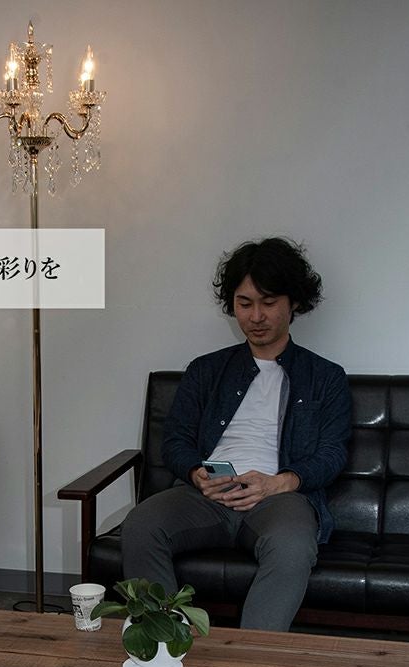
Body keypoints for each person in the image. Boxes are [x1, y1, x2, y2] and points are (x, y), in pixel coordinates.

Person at [121, 237, 352, 631]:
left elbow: (332, 454)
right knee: (141, 525)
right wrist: (197, 474)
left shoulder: (326, 377)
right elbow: (175, 440)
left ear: (293, 303)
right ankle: (163, 643)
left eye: (268, 302)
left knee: (292, 547)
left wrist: (279, 483)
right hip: (207, 495)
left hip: (278, 498)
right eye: (245, 304)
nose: (256, 316)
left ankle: (250, 657)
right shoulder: (205, 370)